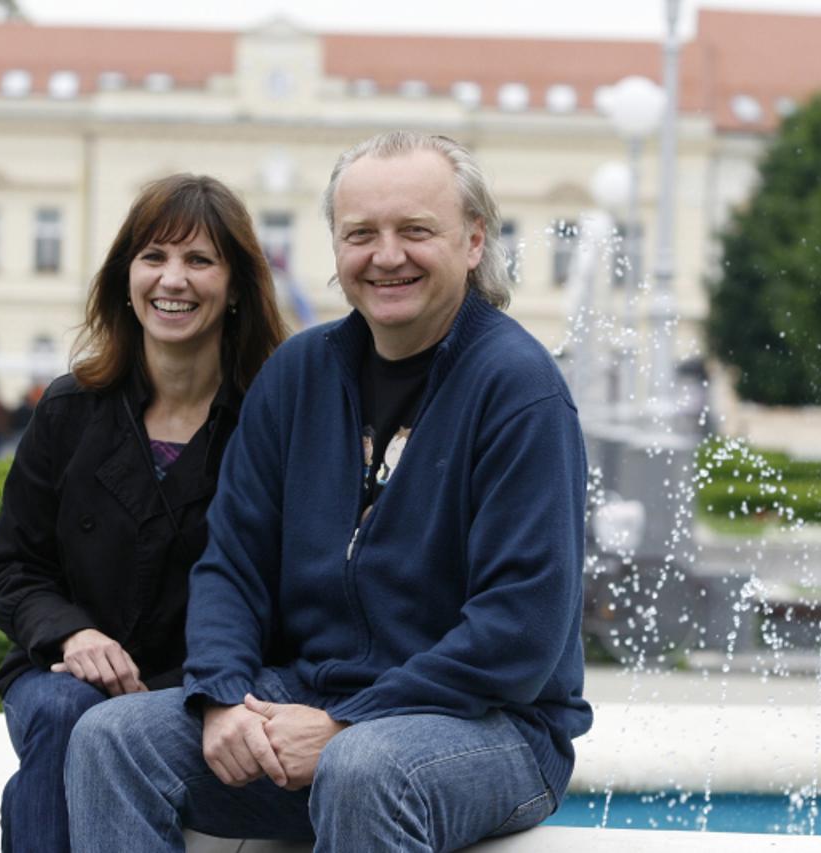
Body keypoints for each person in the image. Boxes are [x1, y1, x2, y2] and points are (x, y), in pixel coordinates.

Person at [65, 131, 592, 852]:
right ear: (336, 248)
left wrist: (350, 723)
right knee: (110, 738)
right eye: (360, 234)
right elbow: (232, 564)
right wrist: (221, 696)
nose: (386, 255)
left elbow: (519, 629)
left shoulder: (518, 389)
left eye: (415, 230)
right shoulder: (297, 374)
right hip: (313, 698)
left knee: (364, 766)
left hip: (493, 727)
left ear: (472, 241)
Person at [0, 173, 288, 853]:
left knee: (81, 753)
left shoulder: (271, 424)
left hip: (197, 693)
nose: (171, 279)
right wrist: (73, 636)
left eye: (198, 260)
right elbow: (14, 567)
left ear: (236, 285)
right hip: (60, 677)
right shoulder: (68, 410)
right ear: (126, 276)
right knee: (67, 713)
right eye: (153, 256)